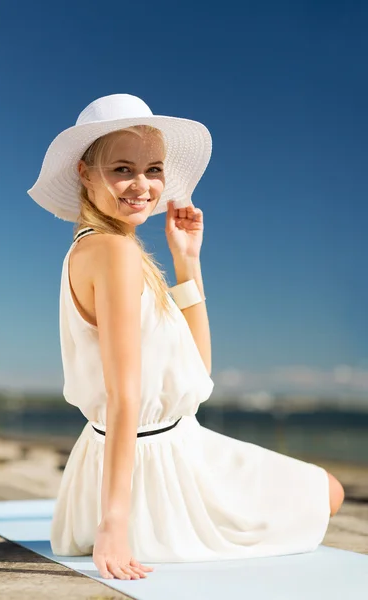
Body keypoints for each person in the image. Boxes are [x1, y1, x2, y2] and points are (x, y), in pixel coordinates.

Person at [27, 93, 344, 581]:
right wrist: (115, 523)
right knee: (328, 492)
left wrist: (187, 260)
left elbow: (197, 368)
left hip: (136, 452)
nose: (142, 185)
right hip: (154, 473)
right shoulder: (113, 252)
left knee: (322, 490)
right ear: (85, 174)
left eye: (154, 169)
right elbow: (123, 394)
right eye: (122, 169)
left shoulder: (104, 250)